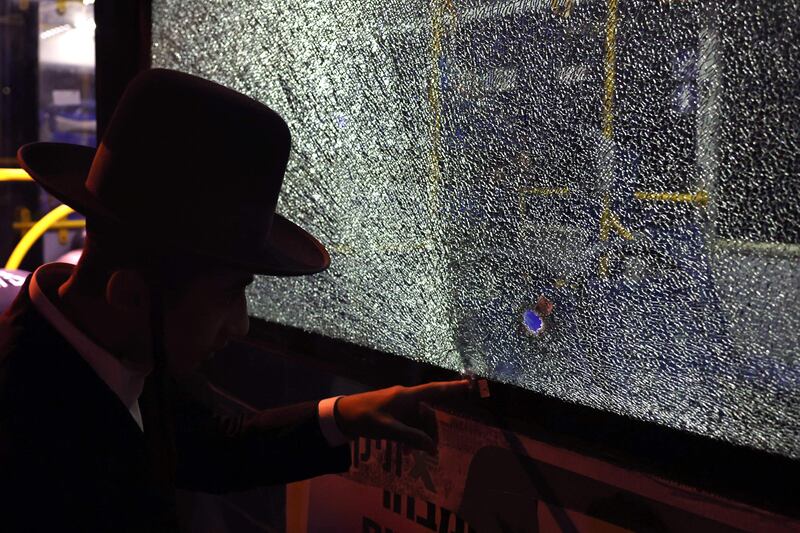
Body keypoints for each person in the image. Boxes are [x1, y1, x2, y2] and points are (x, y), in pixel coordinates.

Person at [0, 69, 469, 532]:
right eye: (230, 293)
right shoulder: (24, 439)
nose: (240, 325)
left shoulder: (112, 344)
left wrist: (345, 416)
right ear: (131, 295)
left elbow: (207, 447)